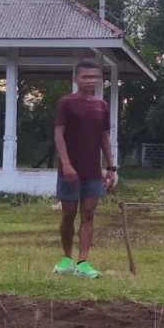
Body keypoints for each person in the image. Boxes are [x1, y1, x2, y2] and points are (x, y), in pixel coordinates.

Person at [52, 59, 118, 279]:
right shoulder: (66, 103)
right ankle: (66, 258)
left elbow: (104, 137)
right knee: (68, 214)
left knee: (88, 214)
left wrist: (110, 167)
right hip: (70, 171)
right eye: (85, 76)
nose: (90, 80)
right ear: (76, 79)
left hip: (93, 170)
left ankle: (83, 262)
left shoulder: (102, 105)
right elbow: (59, 134)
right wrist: (67, 164)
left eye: (94, 77)